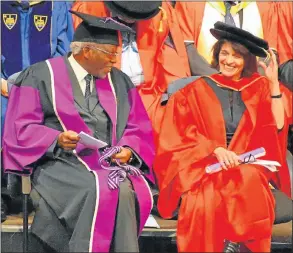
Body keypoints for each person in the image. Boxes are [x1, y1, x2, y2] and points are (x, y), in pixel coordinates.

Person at [2, 11, 155, 252]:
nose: (113, 61)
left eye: (116, 54)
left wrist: (127, 150)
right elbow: (21, 129)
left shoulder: (119, 81)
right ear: (85, 51)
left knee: (126, 188)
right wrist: (56, 138)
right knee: (103, 188)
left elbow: (138, 127)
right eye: (109, 54)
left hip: (108, 163)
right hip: (58, 164)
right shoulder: (41, 75)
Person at [154, 22, 291, 252]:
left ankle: (236, 245)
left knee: (247, 178)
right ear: (217, 55)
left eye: (236, 56)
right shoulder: (194, 90)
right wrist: (214, 149)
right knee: (208, 194)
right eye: (224, 53)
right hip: (204, 165)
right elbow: (177, 135)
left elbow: (276, 126)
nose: (228, 61)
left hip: (246, 164)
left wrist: (273, 82)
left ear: (246, 61)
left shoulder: (258, 88)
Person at [70, 1, 192, 141]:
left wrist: (179, 92)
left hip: (148, 91)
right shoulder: (88, 8)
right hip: (102, 89)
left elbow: (169, 55)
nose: (130, 20)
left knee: (170, 125)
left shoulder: (160, 11)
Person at [1, 0, 74, 220]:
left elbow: (66, 51)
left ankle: (45, 195)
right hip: (2, 87)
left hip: (45, 86)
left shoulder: (56, 7)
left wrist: (43, 82)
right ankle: (2, 194)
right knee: (2, 115)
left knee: (57, 118)